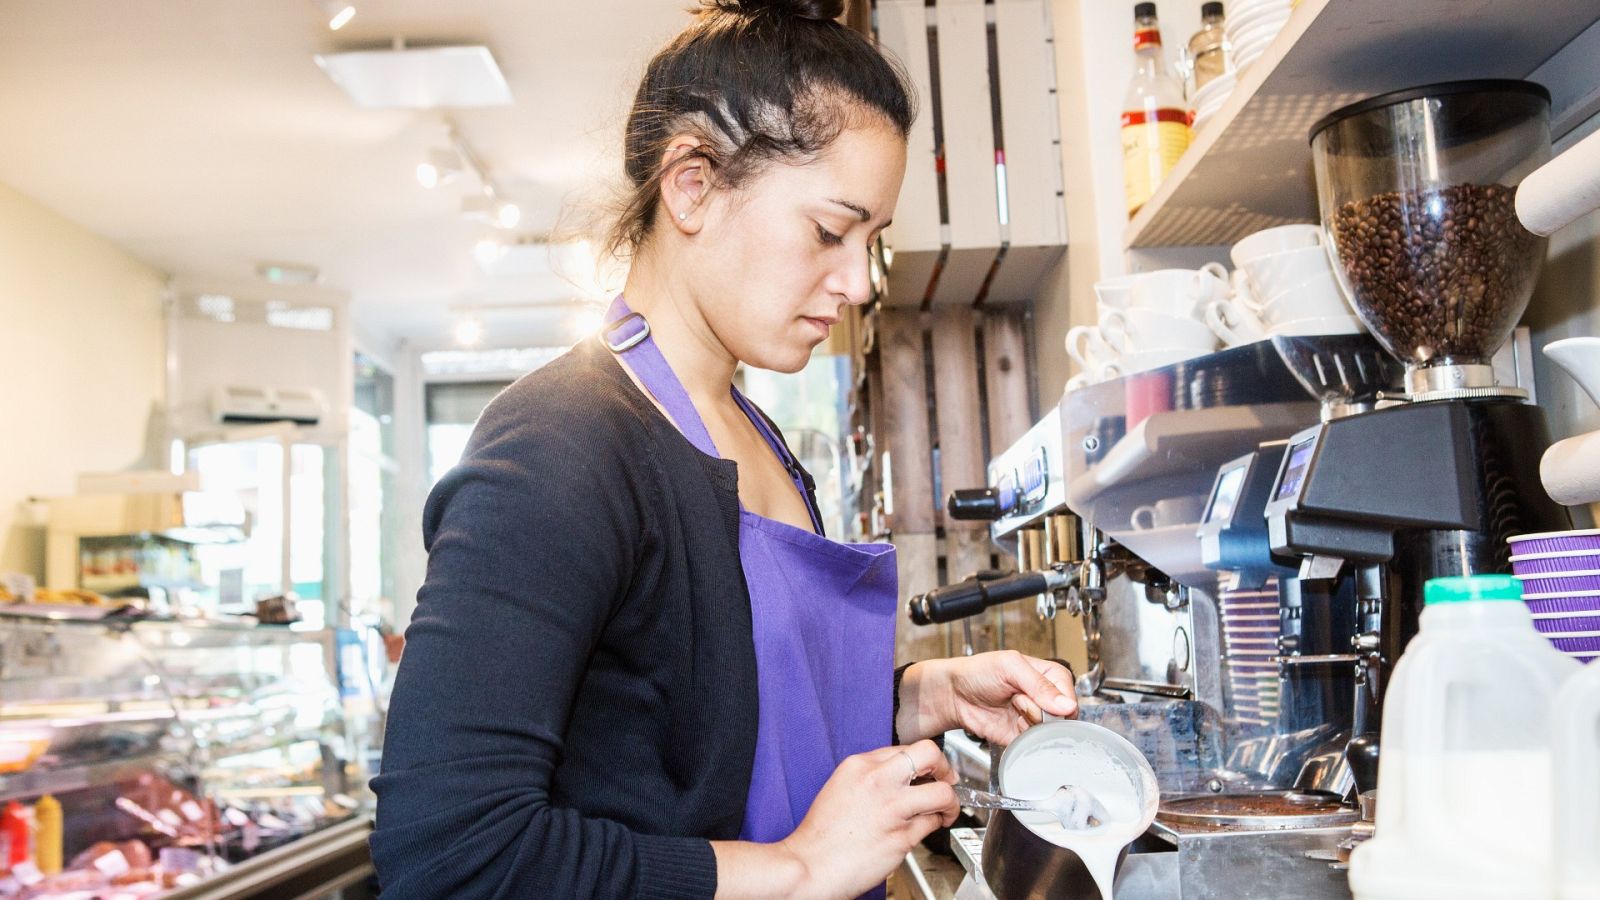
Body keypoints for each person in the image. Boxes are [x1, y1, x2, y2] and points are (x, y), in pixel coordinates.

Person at [369, 1, 1078, 897]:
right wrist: (797, 868)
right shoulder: (559, 445)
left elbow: (710, 719)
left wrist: (914, 697)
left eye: (873, 241)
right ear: (693, 184)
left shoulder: (759, 437)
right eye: (830, 230)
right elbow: (450, 855)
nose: (858, 282)